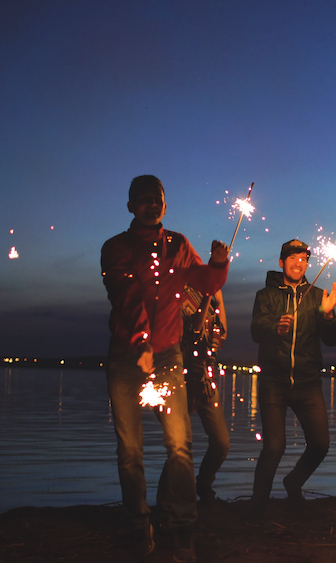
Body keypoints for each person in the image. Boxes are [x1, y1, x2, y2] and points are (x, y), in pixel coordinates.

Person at [101, 175, 229, 562]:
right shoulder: (115, 248)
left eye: (155, 199)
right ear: (130, 207)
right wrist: (141, 342)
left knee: (179, 445)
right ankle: (139, 524)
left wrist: (218, 265)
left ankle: (181, 525)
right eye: (142, 200)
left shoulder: (177, 244)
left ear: (165, 205)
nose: (150, 205)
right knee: (130, 450)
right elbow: (127, 296)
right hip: (127, 357)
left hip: (170, 357)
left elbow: (202, 282)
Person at [249, 239, 336, 519]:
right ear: (281, 262)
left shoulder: (317, 296)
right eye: (292, 257)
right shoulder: (265, 296)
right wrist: (275, 327)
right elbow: (256, 329)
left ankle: (293, 482)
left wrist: (327, 315)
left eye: (303, 258)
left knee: (321, 444)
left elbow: (333, 339)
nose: (298, 262)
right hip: (273, 383)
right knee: (274, 446)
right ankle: (257, 509)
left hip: (307, 384)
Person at [181, 286, 230, 507]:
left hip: (206, 381)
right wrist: (210, 294)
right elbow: (195, 329)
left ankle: (204, 483)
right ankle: (180, 496)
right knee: (180, 444)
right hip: (183, 379)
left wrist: (219, 301)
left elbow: (222, 334)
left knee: (221, 442)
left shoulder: (210, 301)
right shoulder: (182, 295)